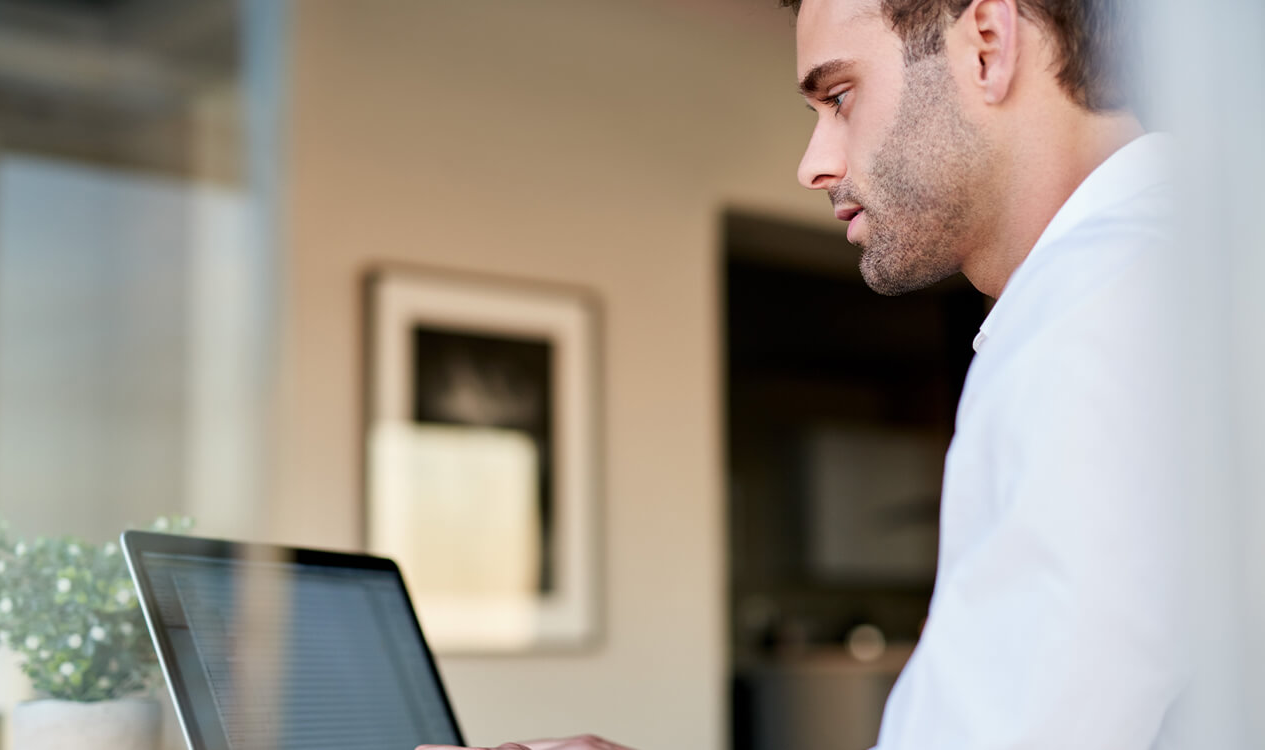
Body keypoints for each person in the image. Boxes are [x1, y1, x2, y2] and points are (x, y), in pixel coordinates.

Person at [420, 0, 1187, 747]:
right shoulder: (1171, 285)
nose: (813, 165)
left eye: (840, 96)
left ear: (987, 42)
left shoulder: (1095, 320)